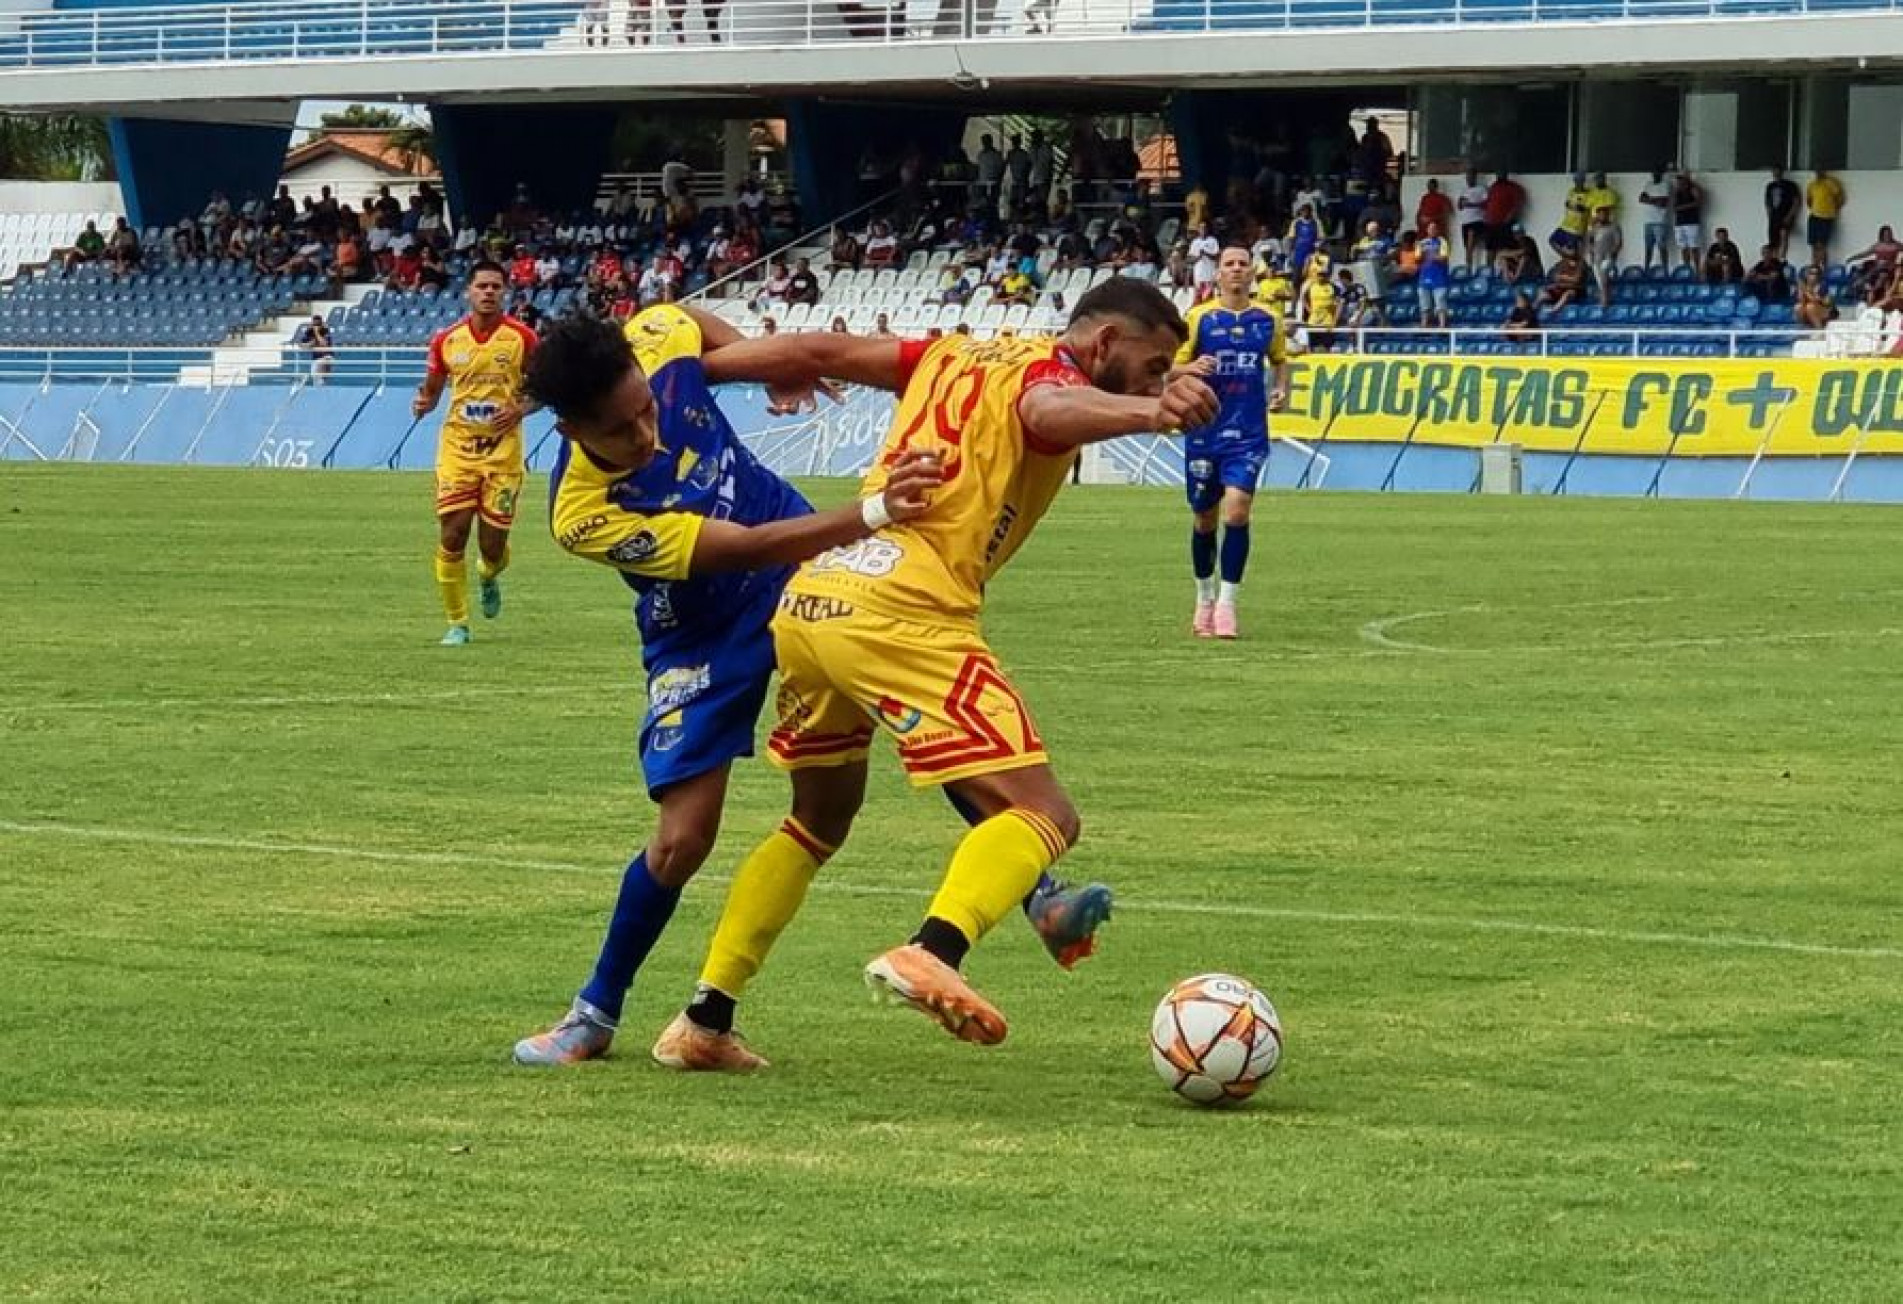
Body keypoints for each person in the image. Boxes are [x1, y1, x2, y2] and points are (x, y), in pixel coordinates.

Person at [653, 278, 1219, 1058]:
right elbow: (1045, 411)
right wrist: (1148, 413)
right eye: (1153, 365)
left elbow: (821, 352)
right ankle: (934, 950)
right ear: (1103, 345)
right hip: (904, 609)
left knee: (816, 820)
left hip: (819, 595)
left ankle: (703, 1020)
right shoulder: (1048, 373)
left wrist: (689, 374)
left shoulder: (949, 351)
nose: (1160, 381)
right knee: (1047, 815)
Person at [508, 308, 992, 1069]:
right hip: (704, 625)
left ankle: (1035, 888)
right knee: (681, 841)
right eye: (622, 431)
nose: (649, 436)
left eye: (647, 409)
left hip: (805, 570)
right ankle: (592, 1015)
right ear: (572, 434)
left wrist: (765, 360)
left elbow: (693, 325)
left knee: (904, 701)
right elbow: (741, 549)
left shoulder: (657, 337)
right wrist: (869, 513)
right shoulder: (582, 515)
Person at [410, 260, 538, 647]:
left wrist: (520, 408)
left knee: (492, 545)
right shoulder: (447, 340)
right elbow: (432, 388)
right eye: (481, 286)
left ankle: (488, 574)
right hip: (458, 449)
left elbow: (546, 387)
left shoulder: (523, 339)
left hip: (503, 453)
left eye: (495, 287)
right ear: (468, 291)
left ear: (505, 292)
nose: (488, 292)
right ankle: (457, 623)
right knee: (453, 532)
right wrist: (424, 402)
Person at [1174, 246, 1288, 641]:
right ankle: (1204, 598)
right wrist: (1188, 368)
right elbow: (1171, 368)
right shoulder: (1198, 318)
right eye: (1229, 265)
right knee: (1204, 517)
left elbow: (1279, 360)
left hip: (1249, 432)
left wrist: (1281, 389)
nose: (1237, 270)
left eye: (1243, 264)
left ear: (1252, 272)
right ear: (1218, 274)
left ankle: (1227, 604)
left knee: (1236, 512)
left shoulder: (1268, 319)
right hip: (1204, 429)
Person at [1805, 168, 1846, 266]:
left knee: (1822, 244)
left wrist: (1833, 209)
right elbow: (1809, 200)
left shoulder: (1831, 183)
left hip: (1826, 217)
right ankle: (1814, 266)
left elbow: (1840, 197)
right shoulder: (1812, 184)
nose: (1818, 173)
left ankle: (1823, 267)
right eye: (1816, 171)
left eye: (1820, 170)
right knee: (1813, 244)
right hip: (1814, 216)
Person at [1417, 221, 1452, 329]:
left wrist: (1430, 255)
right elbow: (1418, 258)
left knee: (1440, 302)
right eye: (1430, 228)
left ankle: (1442, 325)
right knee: (1424, 303)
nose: (1432, 230)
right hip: (1424, 276)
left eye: (1434, 228)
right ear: (1427, 230)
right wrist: (1430, 255)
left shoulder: (1442, 242)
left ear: (1438, 230)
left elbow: (1443, 258)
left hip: (1439, 277)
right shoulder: (1422, 242)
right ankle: (1424, 325)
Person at [1550, 172, 1592, 258]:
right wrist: (1573, 206)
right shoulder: (1571, 191)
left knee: (1573, 250)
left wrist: (1576, 206)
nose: (1577, 183)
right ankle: (1565, 257)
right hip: (1566, 225)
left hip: (1577, 228)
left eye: (1580, 181)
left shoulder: (1589, 194)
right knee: (1552, 240)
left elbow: (1585, 208)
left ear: (1583, 181)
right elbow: (1567, 203)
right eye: (1576, 181)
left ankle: (1572, 260)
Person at [1586, 206, 1621, 309]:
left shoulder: (1614, 227)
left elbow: (1618, 243)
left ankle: (1604, 303)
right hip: (1596, 258)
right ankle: (1605, 299)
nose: (1602, 216)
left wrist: (1613, 254)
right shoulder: (1594, 228)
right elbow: (1589, 241)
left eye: (1604, 214)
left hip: (1608, 257)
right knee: (1600, 281)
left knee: (1603, 276)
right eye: (1600, 214)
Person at [1638, 168, 1673, 272]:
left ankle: (1665, 269)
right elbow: (1641, 198)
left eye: (1657, 172)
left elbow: (1663, 202)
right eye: (1654, 172)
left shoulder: (1665, 184)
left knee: (1662, 247)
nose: (1655, 174)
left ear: (1661, 173)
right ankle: (1646, 269)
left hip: (1660, 221)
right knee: (1648, 247)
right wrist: (1655, 200)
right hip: (1648, 221)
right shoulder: (1648, 184)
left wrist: (1649, 199)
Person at [1671, 172, 1705, 276]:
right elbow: (1674, 206)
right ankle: (1687, 269)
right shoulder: (1677, 191)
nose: (1680, 182)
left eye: (1682, 179)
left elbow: (1699, 202)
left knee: (1693, 246)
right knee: (1683, 247)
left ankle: (1697, 270)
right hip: (1679, 222)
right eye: (1679, 180)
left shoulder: (1694, 189)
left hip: (1691, 222)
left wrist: (1682, 207)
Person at [1765, 165, 1801, 262]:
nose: (1776, 174)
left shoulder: (1790, 185)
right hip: (1774, 217)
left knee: (1783, 235)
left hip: (1785, 215)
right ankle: (1774, 259)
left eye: (1778, 172)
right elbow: (1767, 203)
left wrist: (1790, 215)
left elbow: (1796, 201)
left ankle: (1782, 258)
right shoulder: (1770, 186)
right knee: (1773, 241)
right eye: (1774, 172)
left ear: (1782, 172)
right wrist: (1769, 216)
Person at [1455, 167, 1488, 271]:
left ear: (1475, 177)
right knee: (1468, 248)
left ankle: (1470, 269)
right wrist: (1462, 203)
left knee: (1470, 245)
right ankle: (1469, 268)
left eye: (1471, 176)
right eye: (1467, 177)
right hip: (1465, 222)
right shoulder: (1463, 190)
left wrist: (1471, 204)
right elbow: (1459, 206)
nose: (1469, 179)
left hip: (1476, 220)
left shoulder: (1481, 189)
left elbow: (1486, 204)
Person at [1794, 264, 1837, 330]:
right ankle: (1804, 328)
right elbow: (1801, 301)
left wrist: (1805, 290)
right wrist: (1800, 290)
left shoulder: (1822, 285)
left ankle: (1819, 330)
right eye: (1811, 273)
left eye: (1816, 274)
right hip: (1810, 310)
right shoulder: (1803, 285)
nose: (1814, 276)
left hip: (1827, 311)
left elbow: (1817, 301)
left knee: (1810, 307)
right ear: (1807, 275)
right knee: (1798, 307)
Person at [297, 313, 334, 384]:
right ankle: (320, 389)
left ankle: (321, 386)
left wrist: (317, 332)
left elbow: (324, 344)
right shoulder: (309, 332)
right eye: (314, 324)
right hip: (316, 358)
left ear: (322, 323)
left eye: (318, 324)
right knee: (315, 378)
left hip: (326, 357)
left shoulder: (325, 331)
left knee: (318, 376)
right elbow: (301, 344)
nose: (316, 326)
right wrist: (310, 344)